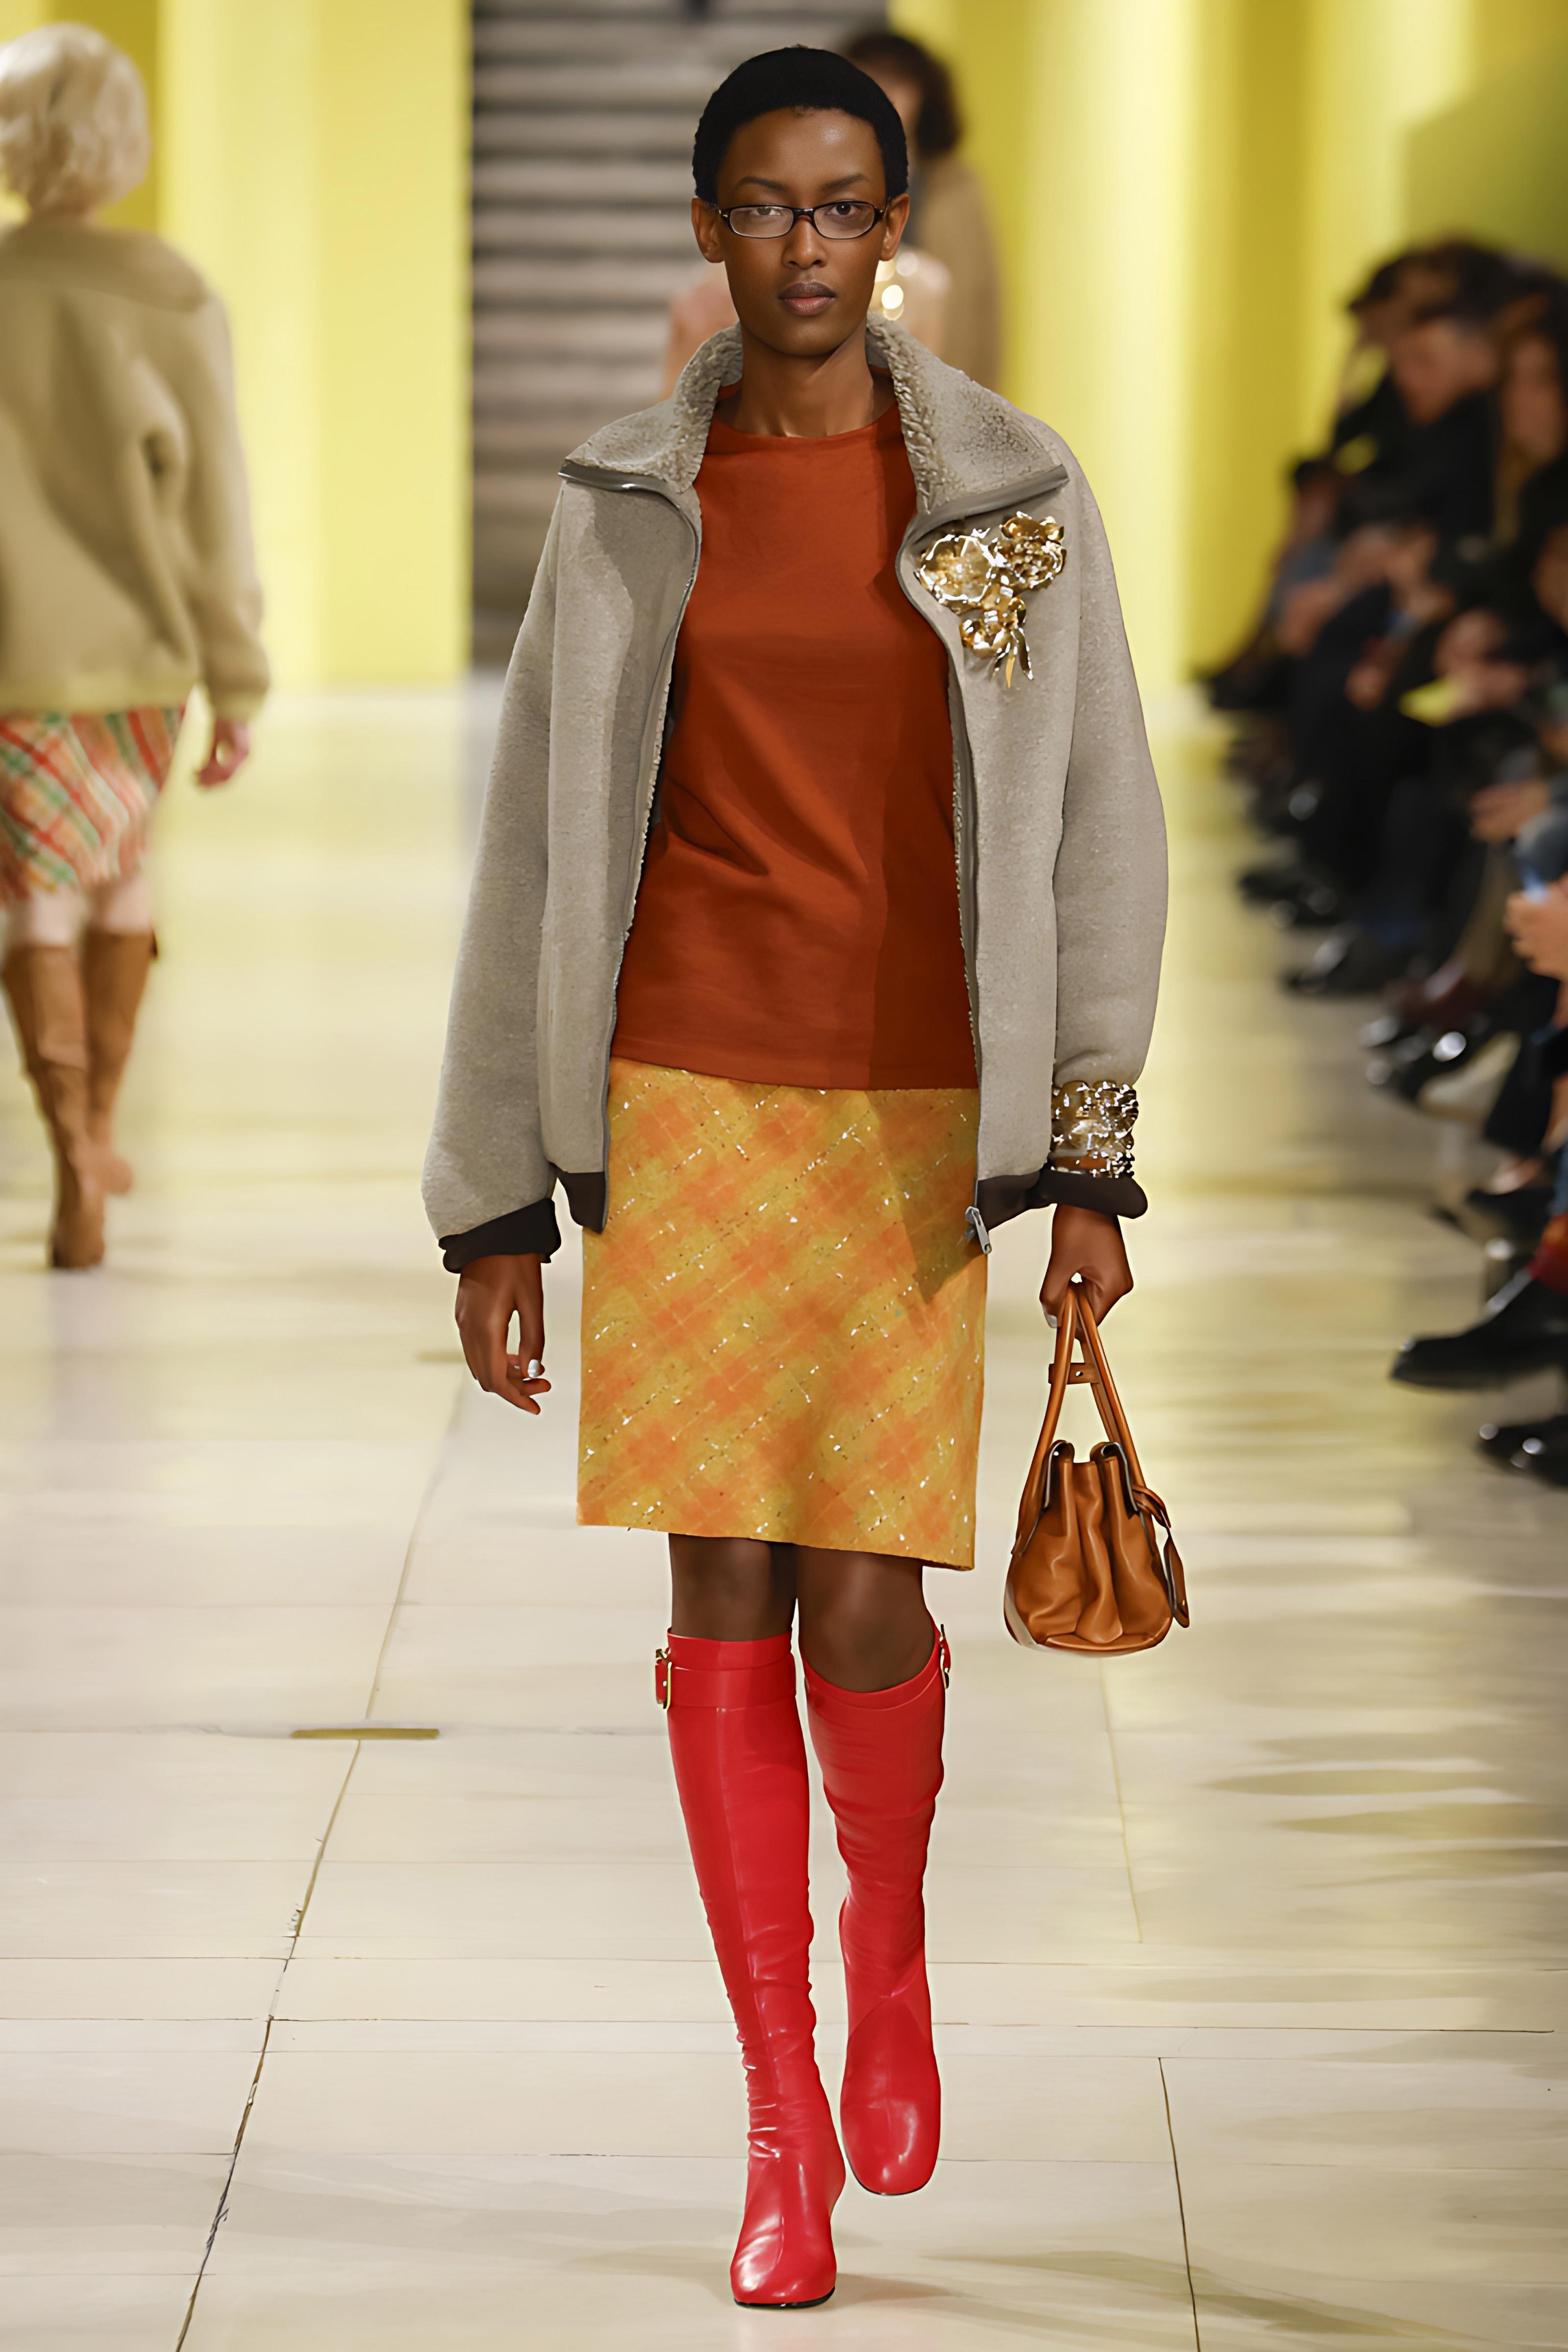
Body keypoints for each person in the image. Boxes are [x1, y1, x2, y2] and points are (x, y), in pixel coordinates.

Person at [425, 46, 1164, 2310]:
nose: (807, 245)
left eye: (844, 205)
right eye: (765, 205)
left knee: (865, 1597)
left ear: (896, 225)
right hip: (681, 1095)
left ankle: (891, 1950)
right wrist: (491, 1199)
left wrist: (1090, 1152)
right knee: (719, 1591)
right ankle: (776, 2112)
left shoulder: (1013, 491)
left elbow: (1101, 826)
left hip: (916, 1111)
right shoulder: (624, 501)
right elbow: (533, 847)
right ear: (709, 227)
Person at [0, 22, 266, 1268]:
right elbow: (213, 506)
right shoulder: (171, 294)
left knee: (34, 896)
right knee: (120, 875)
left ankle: (72, 1162)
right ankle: (101, 1126)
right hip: (143, 659)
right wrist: (237, 678)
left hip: (14, 659)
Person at [845, 25, 1002, 388]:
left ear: (922, 95)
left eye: (898, 83)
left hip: (938, 375)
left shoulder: (955, 187)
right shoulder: (825, 178)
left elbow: (980, 302)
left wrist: (976, 401)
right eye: (872, 81)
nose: (886, 96)